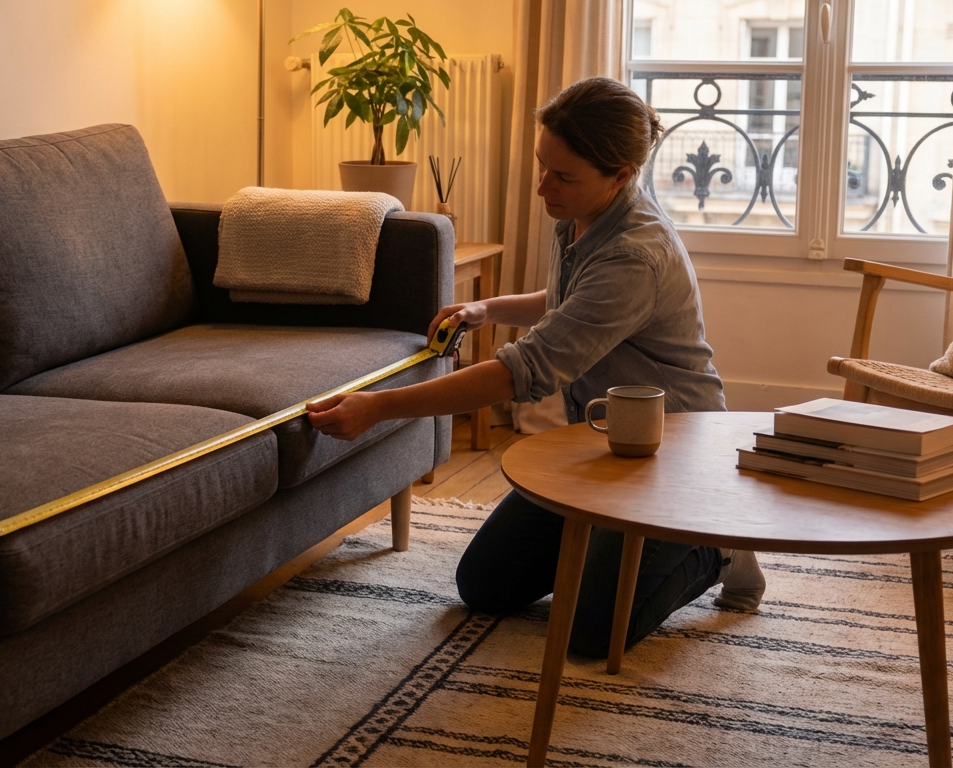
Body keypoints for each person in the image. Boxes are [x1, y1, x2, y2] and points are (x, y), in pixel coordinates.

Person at [305, 77, 765, 658]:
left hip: (673, 456)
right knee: (485, 587)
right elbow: (571, 302)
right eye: (542, 165)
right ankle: (607, 532)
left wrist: (380, 408)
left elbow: (520, 373)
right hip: (600, 441)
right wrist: (486, 307)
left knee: (590, 631)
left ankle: (718, 547)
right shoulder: (581, 211)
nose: (542, 186)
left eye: (562, 175)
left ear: (620, 174)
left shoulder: (635, 254)